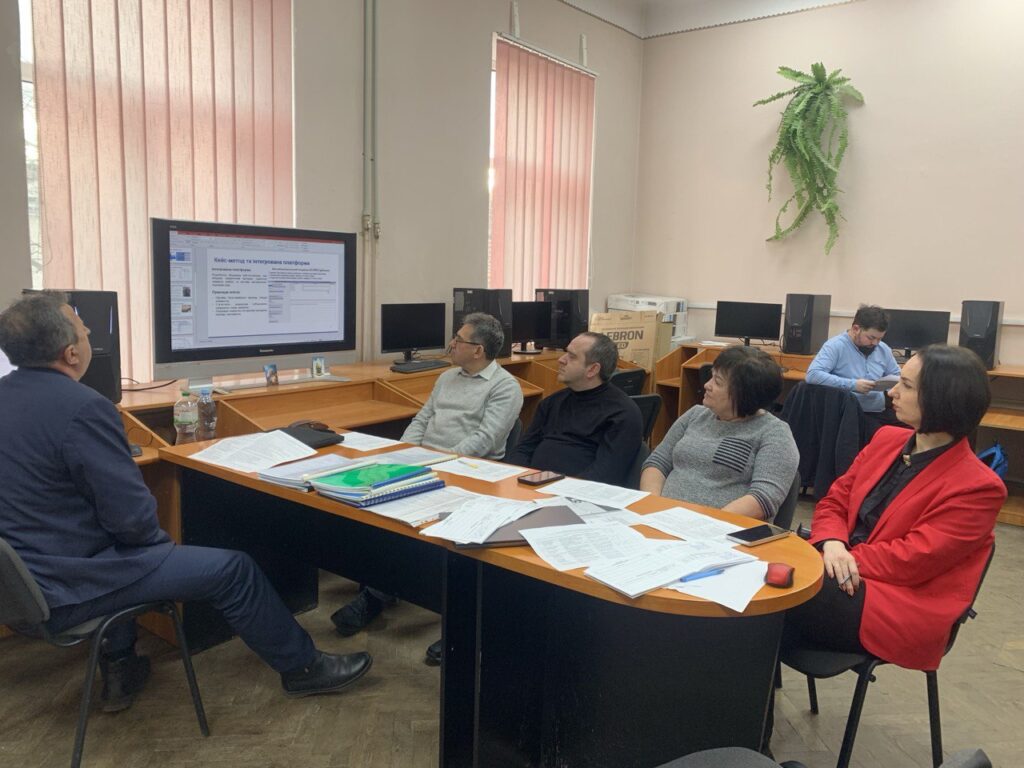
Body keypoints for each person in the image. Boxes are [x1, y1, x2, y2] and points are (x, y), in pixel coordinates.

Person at [0, 293, 372, 710]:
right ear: (71, 353)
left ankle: (121, 667)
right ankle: (304, 668)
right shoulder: (85, 408)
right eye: (83, 330)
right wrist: (160, 550)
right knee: (233, 569)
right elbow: (132, 521)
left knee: (121, 547)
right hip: (70, 587)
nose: (88, 332)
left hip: (17, 586)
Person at [763, 345, 1005, 754]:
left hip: (893, 601)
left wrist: (833, 559)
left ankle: (746, 741)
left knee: (760, 601)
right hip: (837, 572)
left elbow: (911, 559)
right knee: (754, 597)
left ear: (941, 400)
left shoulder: (977, 486)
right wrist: (831, 544)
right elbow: (835, 499)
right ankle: (748, 741)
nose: (891, 392)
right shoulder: (887, 439)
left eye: (905, 385)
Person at [332, 312, 523, 663]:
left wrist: (436, 464)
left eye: (458, 339)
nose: (451, 344)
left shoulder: (505, 387)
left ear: (478, 350)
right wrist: (402, 456)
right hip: (425, 465)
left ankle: (397, 602)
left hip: (470, 473)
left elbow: (484, 440)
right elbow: (422, 419)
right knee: (377, 513)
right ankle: (379, 591)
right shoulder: (447, 377)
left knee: (422, 528)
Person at [640, 345, 798, 521]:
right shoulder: (695, 415)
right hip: (661, 519)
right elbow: (657, 462)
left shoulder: (774, 433)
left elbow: (763, 498)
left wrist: (706, 523)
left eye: (718, 382)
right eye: (711, 376)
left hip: (720, 528)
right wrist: (653, 505)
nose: (707, 385)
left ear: (743, 394)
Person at [505, 332, 643, 487]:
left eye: (571, 356)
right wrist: (519, 479)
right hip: (530, 487)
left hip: (579, 493)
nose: (561, 360)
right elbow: (523, 449)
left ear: (592, 369)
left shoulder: (622, 414)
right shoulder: (551, 402)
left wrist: (558, 489)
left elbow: (605, 473)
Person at [805, 304, 902, 429]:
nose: (875, 343)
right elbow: (813, 375)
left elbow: (897, 375)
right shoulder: (835, 346)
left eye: (880, 339)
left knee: (914, 429)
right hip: (847, 413)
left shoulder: (883, 349)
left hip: (878, 410)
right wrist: (853, 385)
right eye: (871, 337)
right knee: (882, 434)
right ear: (856, 329)